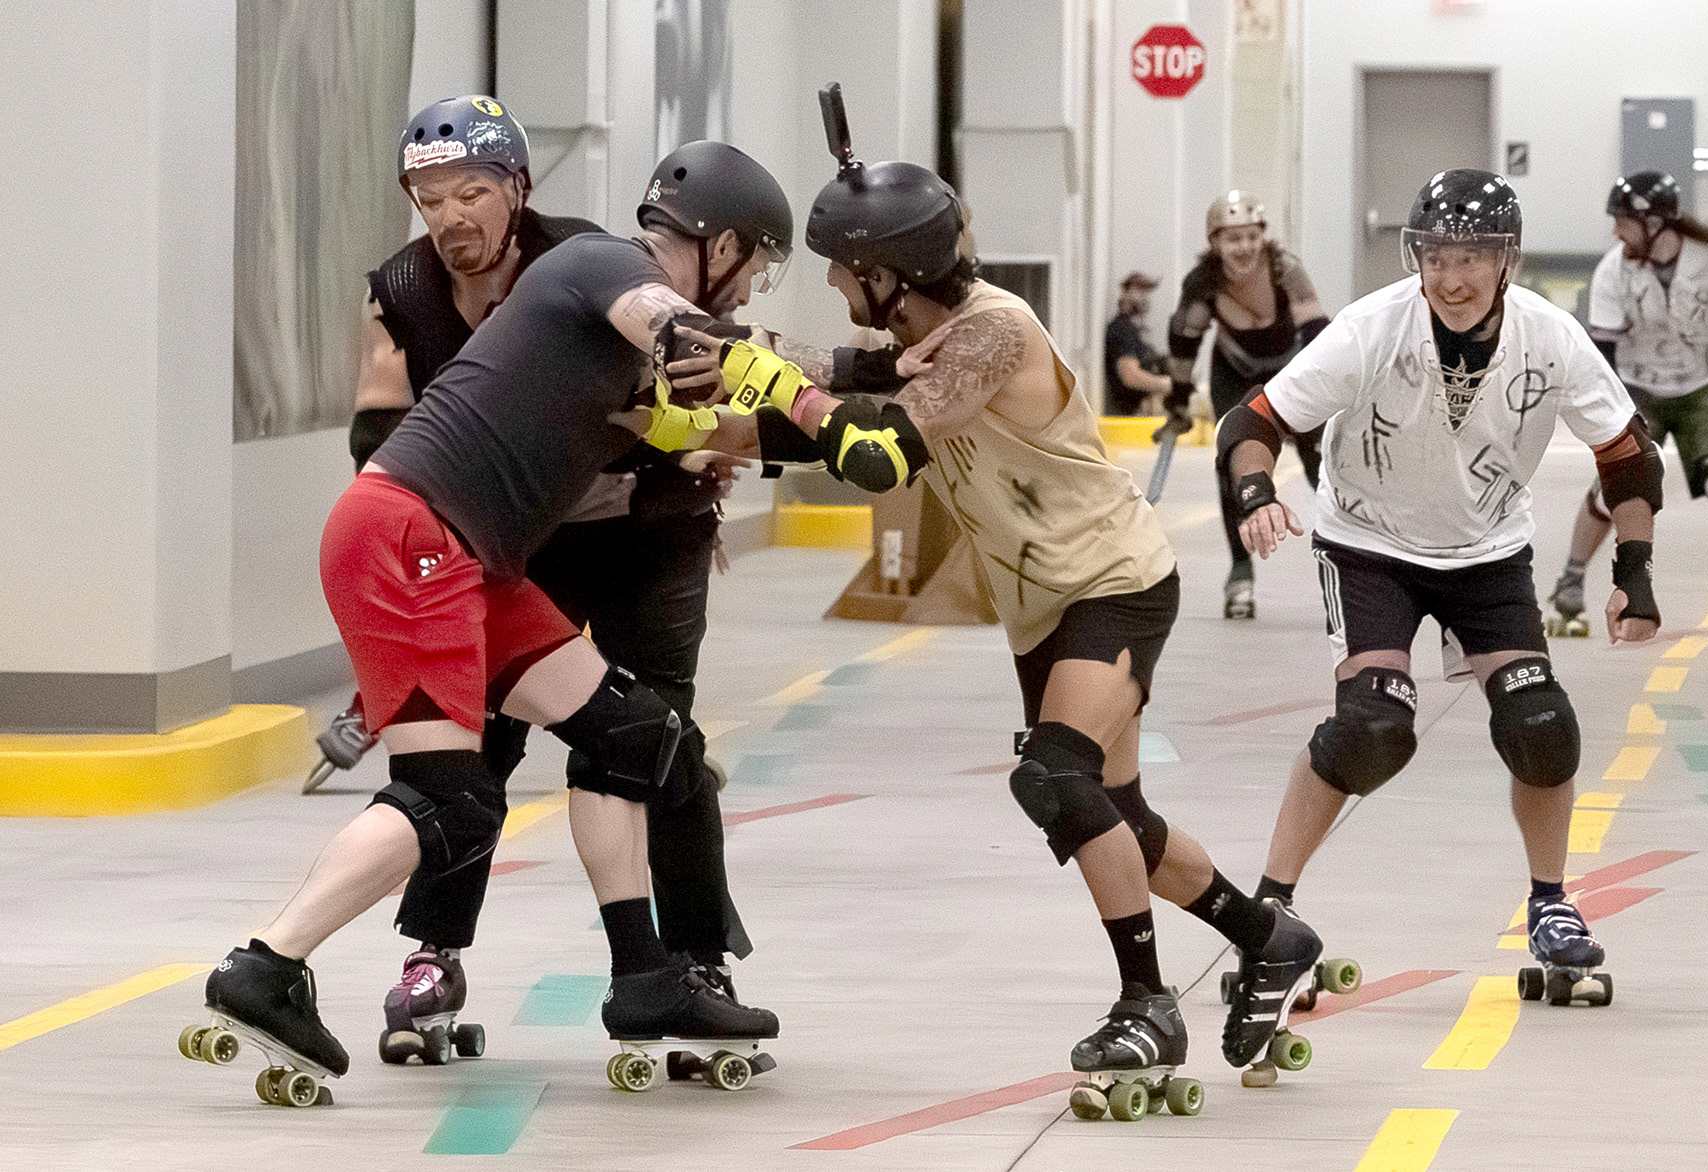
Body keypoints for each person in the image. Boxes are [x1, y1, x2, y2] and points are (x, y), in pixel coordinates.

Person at [685, 94, 1303, 1116]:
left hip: (1113, 581)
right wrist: (692, 417)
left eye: (845, 265)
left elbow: (876, 449)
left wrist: (765, 380)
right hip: (1041, 604)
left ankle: (1147, 1000)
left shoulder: (992, 331)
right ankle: (1270, 939)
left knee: (1058, 780)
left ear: (888, 271)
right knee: (1119, 813)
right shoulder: (925, 333)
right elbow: (836, 392)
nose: (834, 279)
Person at [187, 139, 792, 1098]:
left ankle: (646, 981)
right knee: (451, 800)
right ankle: (264, 966)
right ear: (718, 245)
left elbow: (701, 414)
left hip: (477, 560)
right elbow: (685, 338)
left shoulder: (597, 304)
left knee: (638, 737)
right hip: (413, 537)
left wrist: (879, 393)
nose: (754, 290)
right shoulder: (607, 266)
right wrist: (825, 400)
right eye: (755, 265)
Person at [1216, 170, 1667, 1064]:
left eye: (1472, 259)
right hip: (1370, 545)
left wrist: (1635, 570)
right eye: (1436, 257)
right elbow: (1250, 419)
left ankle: (1550, 905)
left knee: (1543, 727)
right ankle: (1274, 911)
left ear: (1508, 261)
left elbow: (1626, 453)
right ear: (1413, 256)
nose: (1452, 278)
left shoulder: (1549, 336)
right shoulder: (1372, 328)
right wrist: (1258, 490)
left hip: (1487, 552)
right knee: (1373, 730)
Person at [341, 96, 756, 1067]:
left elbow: (690, 385)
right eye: (427, 195)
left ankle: (694, 964)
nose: (448, 216)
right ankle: (432, 957)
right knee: (472, 749)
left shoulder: (582, 257)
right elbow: (377, 437)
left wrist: (695, 444)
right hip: (515, 546)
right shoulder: (400, 290)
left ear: (517, 190)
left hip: (650, 527)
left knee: (658, 740)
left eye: (471, 190)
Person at [1546, 170, 1708, 638]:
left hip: (1702, 388)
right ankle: (1570, 579)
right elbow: (1604, 356)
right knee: (1615, 484)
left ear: (1653, 222)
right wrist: (1606, 425)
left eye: (1623, 220)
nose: (1616, 231)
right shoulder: (1615, 269)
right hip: (1637, 388)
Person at [1163, 192, 1331, 619]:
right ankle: (1241, 570)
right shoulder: (1203, 282)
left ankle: (1349, 562)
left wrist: (1331, 390)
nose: (1244, 248)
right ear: (1215, 242)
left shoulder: (1284, 268)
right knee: (1232, 463)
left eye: (1252, 237)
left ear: (1263, 238)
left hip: (1290, 368)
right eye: (1233, 239)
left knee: (1321, 464)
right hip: (1233, 373)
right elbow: (1184, 341)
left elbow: (1316, 330)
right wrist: (1179, 400)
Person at [1102, 272, 1172, 416]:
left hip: (1146, 414)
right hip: (1132, 417)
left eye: (1147, 291)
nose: (1145, 296)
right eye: (1140, 290)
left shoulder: (1136, 332)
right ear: (1125, 293)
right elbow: (1130, 376)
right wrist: (1166, 384)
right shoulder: (1121, 330)